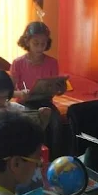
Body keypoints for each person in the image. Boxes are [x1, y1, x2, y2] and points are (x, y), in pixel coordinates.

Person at [10, 22, 63, 159]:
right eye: (36, 43)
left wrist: (59, 89)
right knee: (32, 125)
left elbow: (55, 88)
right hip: (25, 103)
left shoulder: (52, 62)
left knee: (57, 124)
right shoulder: (18, 63)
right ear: (27, 42)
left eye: (43, 44)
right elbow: (9, 91)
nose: (40, 48)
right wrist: (20, 93)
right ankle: (32, 159)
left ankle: (53, 160)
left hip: (45, 101)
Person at [0, 68, 51, 147]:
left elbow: (33, 139)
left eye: (5, 97)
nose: (1, 101)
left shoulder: (16, 109)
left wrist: (43, 121)